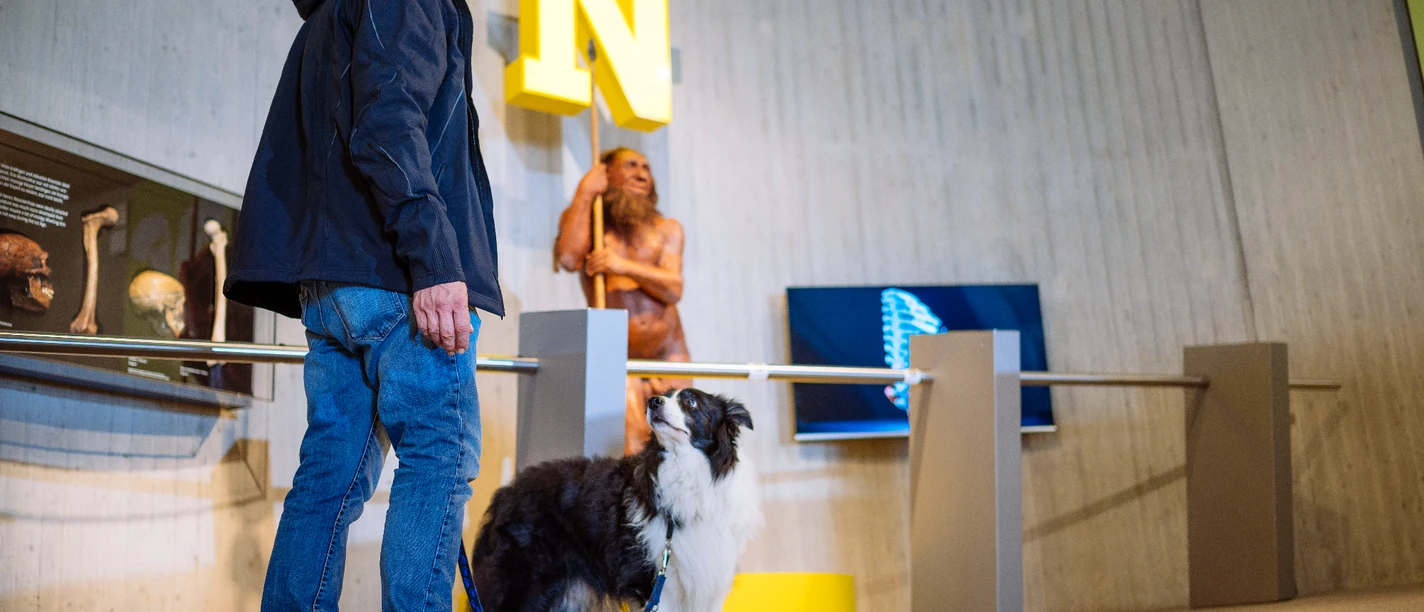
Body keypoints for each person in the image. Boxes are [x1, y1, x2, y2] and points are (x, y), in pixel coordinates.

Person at [223, 0, 503, 609]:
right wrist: (434, 258)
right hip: (397, 276)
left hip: (332, 283)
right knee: (439, 457)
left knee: (329, 477)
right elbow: (389, 119)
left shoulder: (331, 14)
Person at [554, 147, 691, 455]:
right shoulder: (592, 223)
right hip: (617, 352)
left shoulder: (667, 228)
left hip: (668, 351)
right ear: (606, 174)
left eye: (646, 167)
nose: (642, 174)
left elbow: (673, 289)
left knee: (681, 441)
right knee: (630, 443)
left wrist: (620, 265)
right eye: (631, 166)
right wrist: (585, 191)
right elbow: (568, 257)